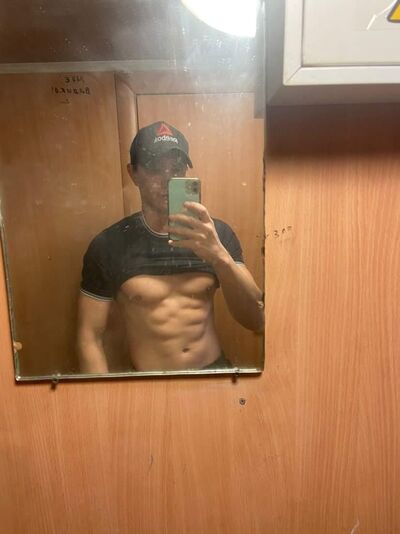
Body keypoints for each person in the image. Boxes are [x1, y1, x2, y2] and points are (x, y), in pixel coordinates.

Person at [77, 121, 264, 373]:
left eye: (176, 169)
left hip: (212, 375)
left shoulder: (216, 234)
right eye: (155, 168)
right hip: (150, 384)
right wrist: (103, 397)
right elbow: (89, 337)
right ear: (133, 173)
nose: (167, 179)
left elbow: (255, 320)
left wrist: (219, 256)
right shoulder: (109, 245)